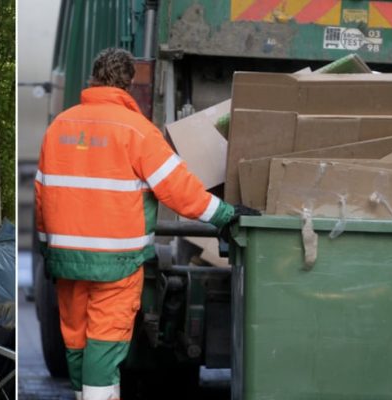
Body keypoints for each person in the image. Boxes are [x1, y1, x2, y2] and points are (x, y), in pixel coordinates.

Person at [34, 48, 256, 400]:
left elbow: (43, 197)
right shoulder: (137, 131)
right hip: (116, 265)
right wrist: (226, 215)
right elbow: (180, 191)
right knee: (103, 347)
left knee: (75, 339)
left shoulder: (59, 127)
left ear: (92, 79)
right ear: (128, 83)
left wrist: (49, 249)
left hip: (66, 260)